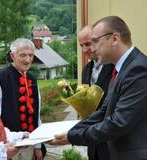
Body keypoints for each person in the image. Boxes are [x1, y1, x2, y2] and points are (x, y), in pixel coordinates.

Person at [49, 16, 147, 160]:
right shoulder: (122, 68)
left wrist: (72, 137)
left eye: (95, 41)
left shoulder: (138, 69)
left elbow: (119, 123)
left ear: (114, 39)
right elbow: (103, 112)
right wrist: (70, 132)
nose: (92, 49)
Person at [0, 38, 45, 160]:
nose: (28, 60)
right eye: (23, 55)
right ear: (12, 56)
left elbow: (37, 115)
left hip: (30, 143)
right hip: (9, 144)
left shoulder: (32, 79)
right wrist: (1, 147)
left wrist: (38, 146)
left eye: (30, 55)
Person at [79, 25, 114, 160]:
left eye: (87, 44)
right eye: (81, 45)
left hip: (111, 141)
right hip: (92, 142)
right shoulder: (86, 69)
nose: (84, 50)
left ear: (97, 40)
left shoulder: (114, 65)